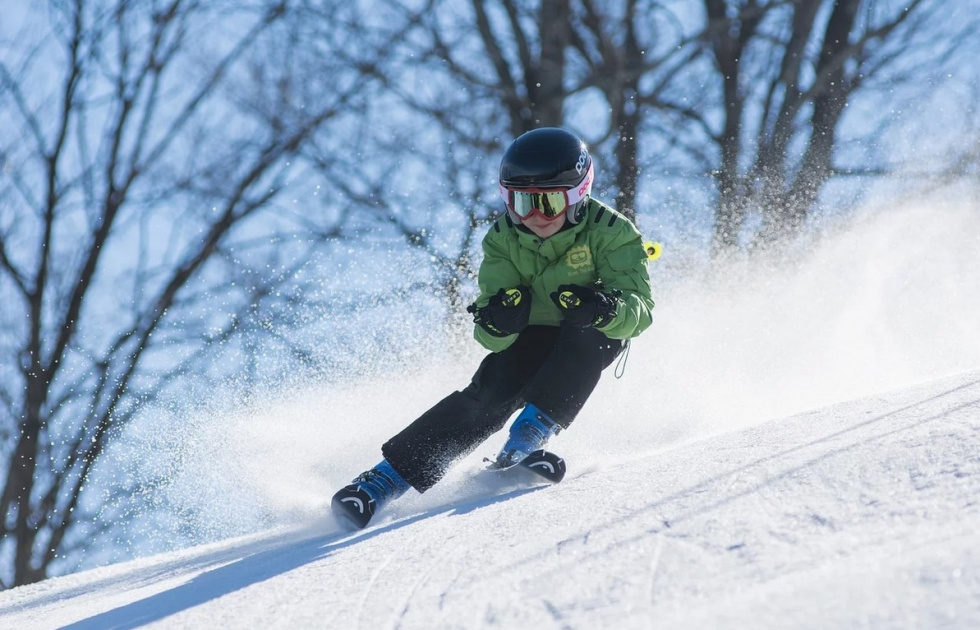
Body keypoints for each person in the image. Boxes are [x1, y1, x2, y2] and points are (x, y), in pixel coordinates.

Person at [331, 127, 654, 529]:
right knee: (492, 390)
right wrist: (499, 321)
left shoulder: (612, 231)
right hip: (531, 334)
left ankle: (524, 443)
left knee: (591, 340)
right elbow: (488, 333)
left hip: (587, 330)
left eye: (549, 203)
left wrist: (604, 308)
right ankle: (381, 482)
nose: (534, 216)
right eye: (521, 203)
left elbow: (640, 311)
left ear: (577, 196)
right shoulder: (502, 238)